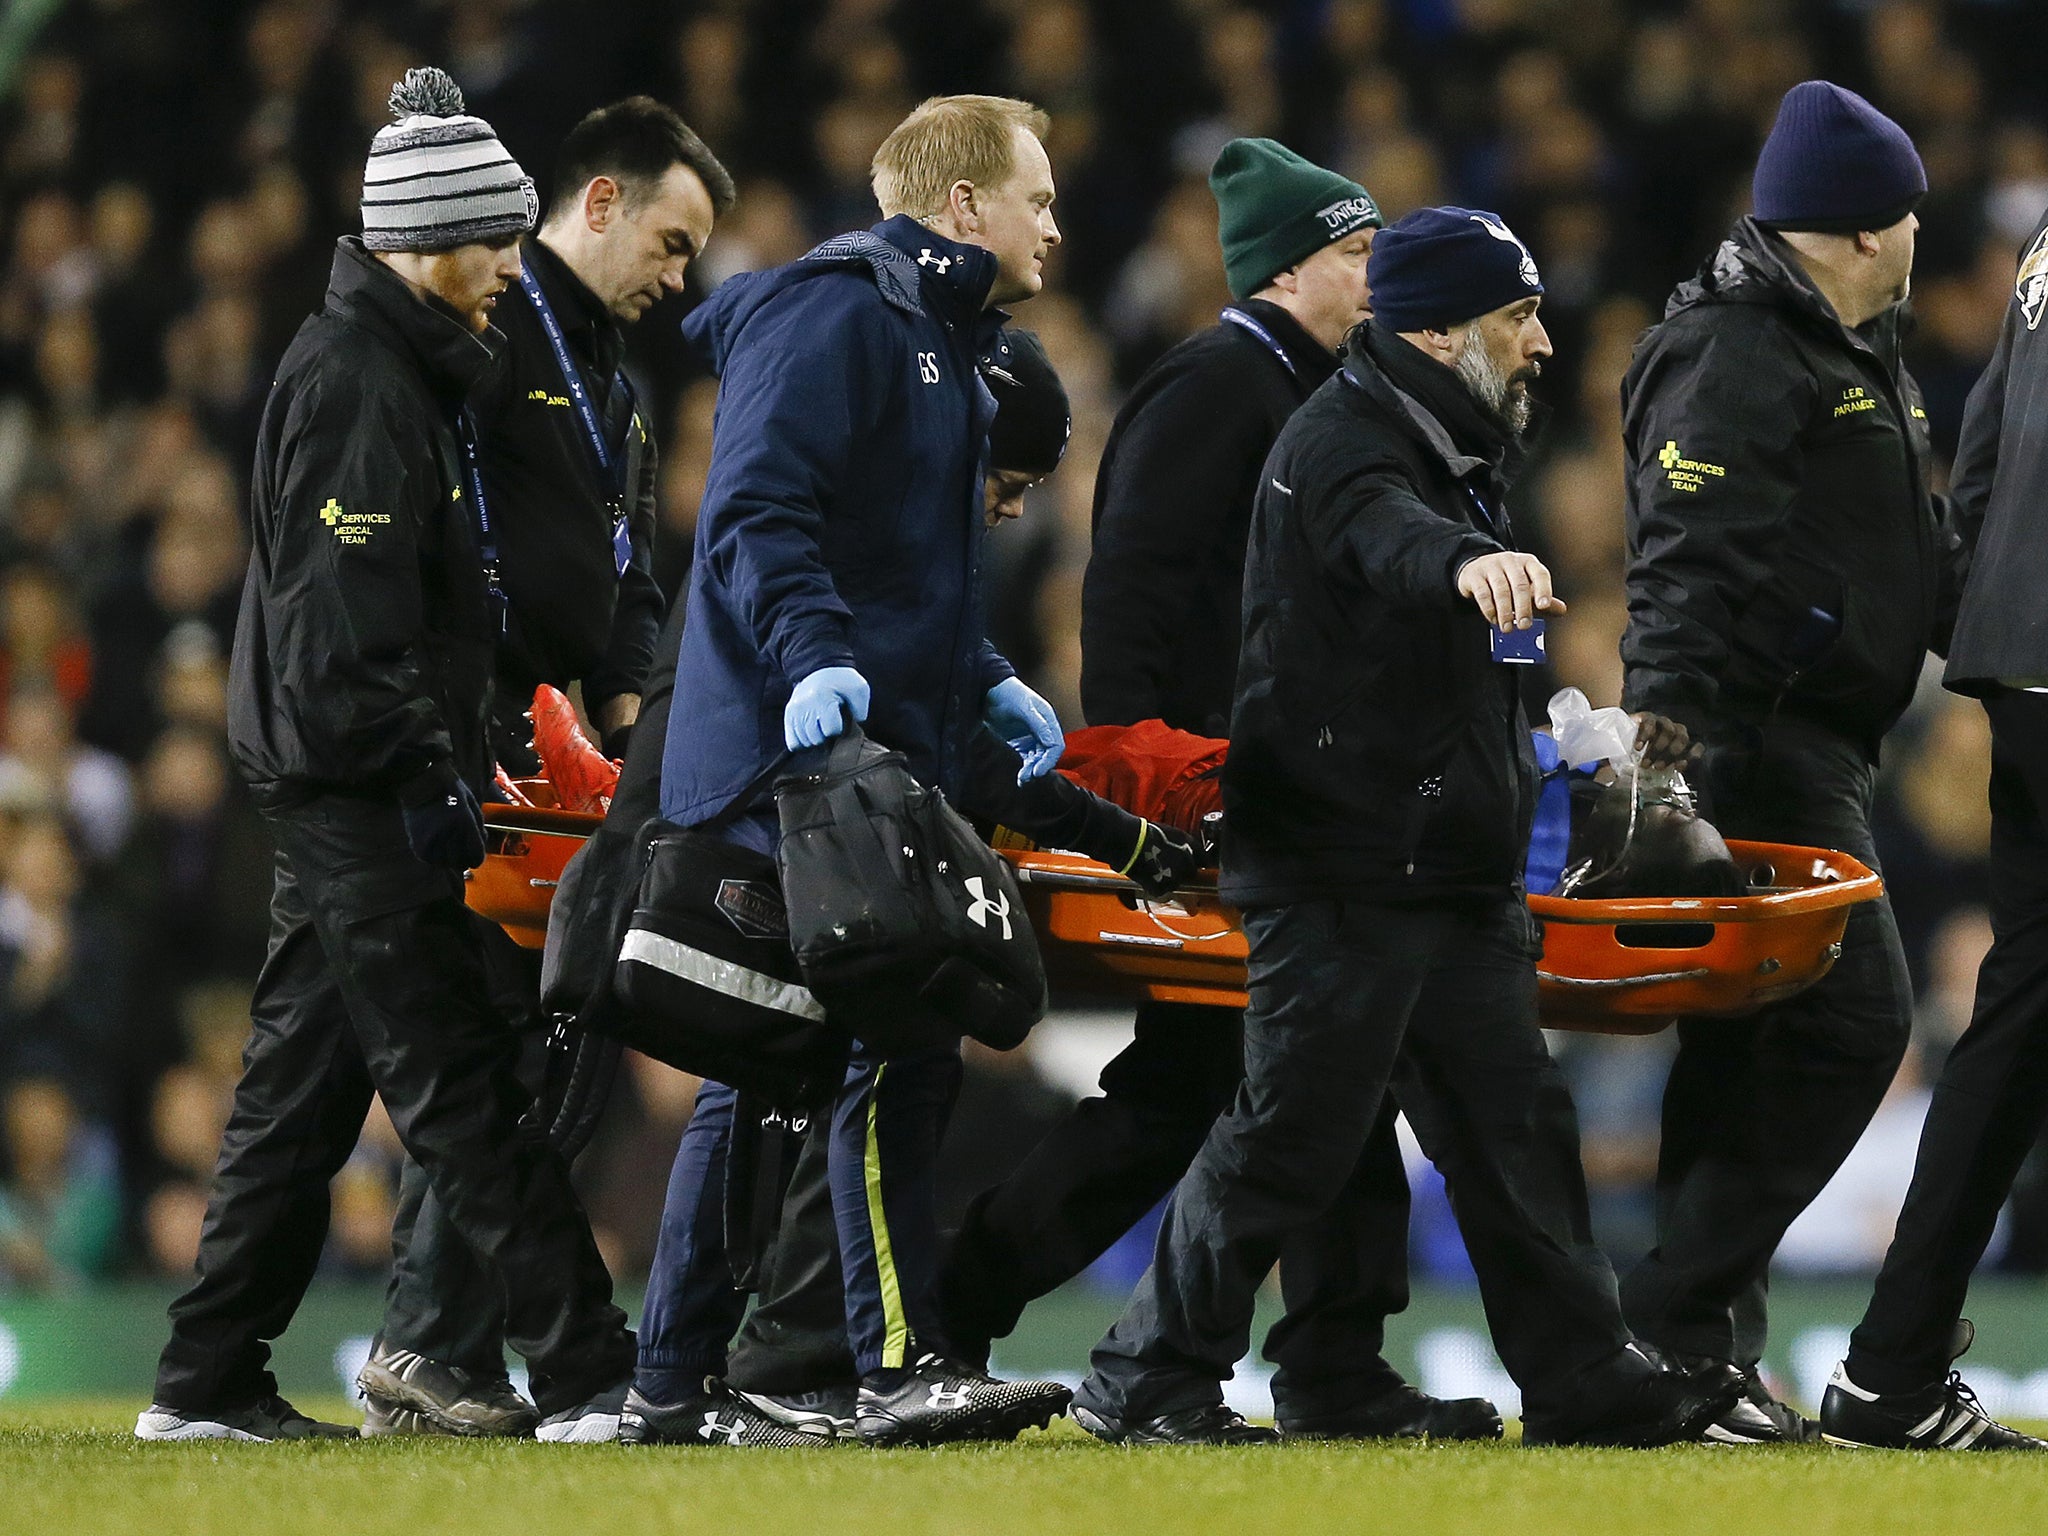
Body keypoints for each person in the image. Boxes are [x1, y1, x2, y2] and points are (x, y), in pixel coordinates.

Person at [1069, 206, 1737, 1448]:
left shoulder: (1448, 440)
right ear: (1434, 328)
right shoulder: (1344, 442)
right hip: (1340, 863)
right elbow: (1384, 538)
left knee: (1514, 1129)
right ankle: (1141, 1376)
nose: (1540, 341)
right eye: (1514, 316)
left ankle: (1579, 1376)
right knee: (1288, 1131)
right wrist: (1461, 565)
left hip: (1441, 869)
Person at [939, 138, 1495, 1442]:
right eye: (1361, 254)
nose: (1382, 275)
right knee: (1210, 1090)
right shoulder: (1214, 390)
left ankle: (1324, 1364)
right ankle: (971, 1310)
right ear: (1290, 268)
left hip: (1296, 811)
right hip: (1219, 817)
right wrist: (1159, 802)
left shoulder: (1322, 394)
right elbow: (1128, 610)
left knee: (1298, 1074)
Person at [136, 68, 636, 1443]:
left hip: (359, 787)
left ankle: (201, 1384)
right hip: (363, 793)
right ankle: (594, 1376)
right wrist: (425, 778)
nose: (508, 274)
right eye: (496, 242)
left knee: (300, 1099)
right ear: (435, 239)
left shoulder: (398, 369)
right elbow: (340, 644)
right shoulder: (361, 383)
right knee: (466, 1088)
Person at [630, 94, 1075, 1449]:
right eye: (1037, 198)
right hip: (796, 757)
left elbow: (890, 568)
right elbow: (758, 509)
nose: (1055, 224)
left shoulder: (941, 339)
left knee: (772, 1068)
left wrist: (977, 673)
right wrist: (817, 663)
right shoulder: (843, 314)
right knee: (899, 1038)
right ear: (962, 208)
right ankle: (889, 1367)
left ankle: (679, 1382)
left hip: (855, 747)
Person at [357, 97, 735, 1439]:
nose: (678, 278)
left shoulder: (609, 376)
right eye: (674, 242)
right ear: (597, 203)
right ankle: (418, 1344)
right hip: (488, 743)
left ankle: (431, 1347)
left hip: (577, 750)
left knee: (540, 1049)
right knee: (498, 1051)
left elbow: (624, 566)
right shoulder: (490, 336)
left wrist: (633, 710)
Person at [1615, 81, 1950, 1444]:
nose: (1921, 237)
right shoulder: (1747, 349)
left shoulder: (1837, 346)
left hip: (1811, 741)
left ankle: (1693, 1355)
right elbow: (1686, 562)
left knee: (1746, 1052)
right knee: (1857, 1023)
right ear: (1867, 230)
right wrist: (1666, 754)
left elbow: (1889, 563)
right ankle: (1663, 1318)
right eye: (1911, 216)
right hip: (1759, 749)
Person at [1816, 201, 2048, 1451]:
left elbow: (1992, 440)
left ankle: (1892, 1368)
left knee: (2016, 1014)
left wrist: (1985, 632)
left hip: (2019, 661)